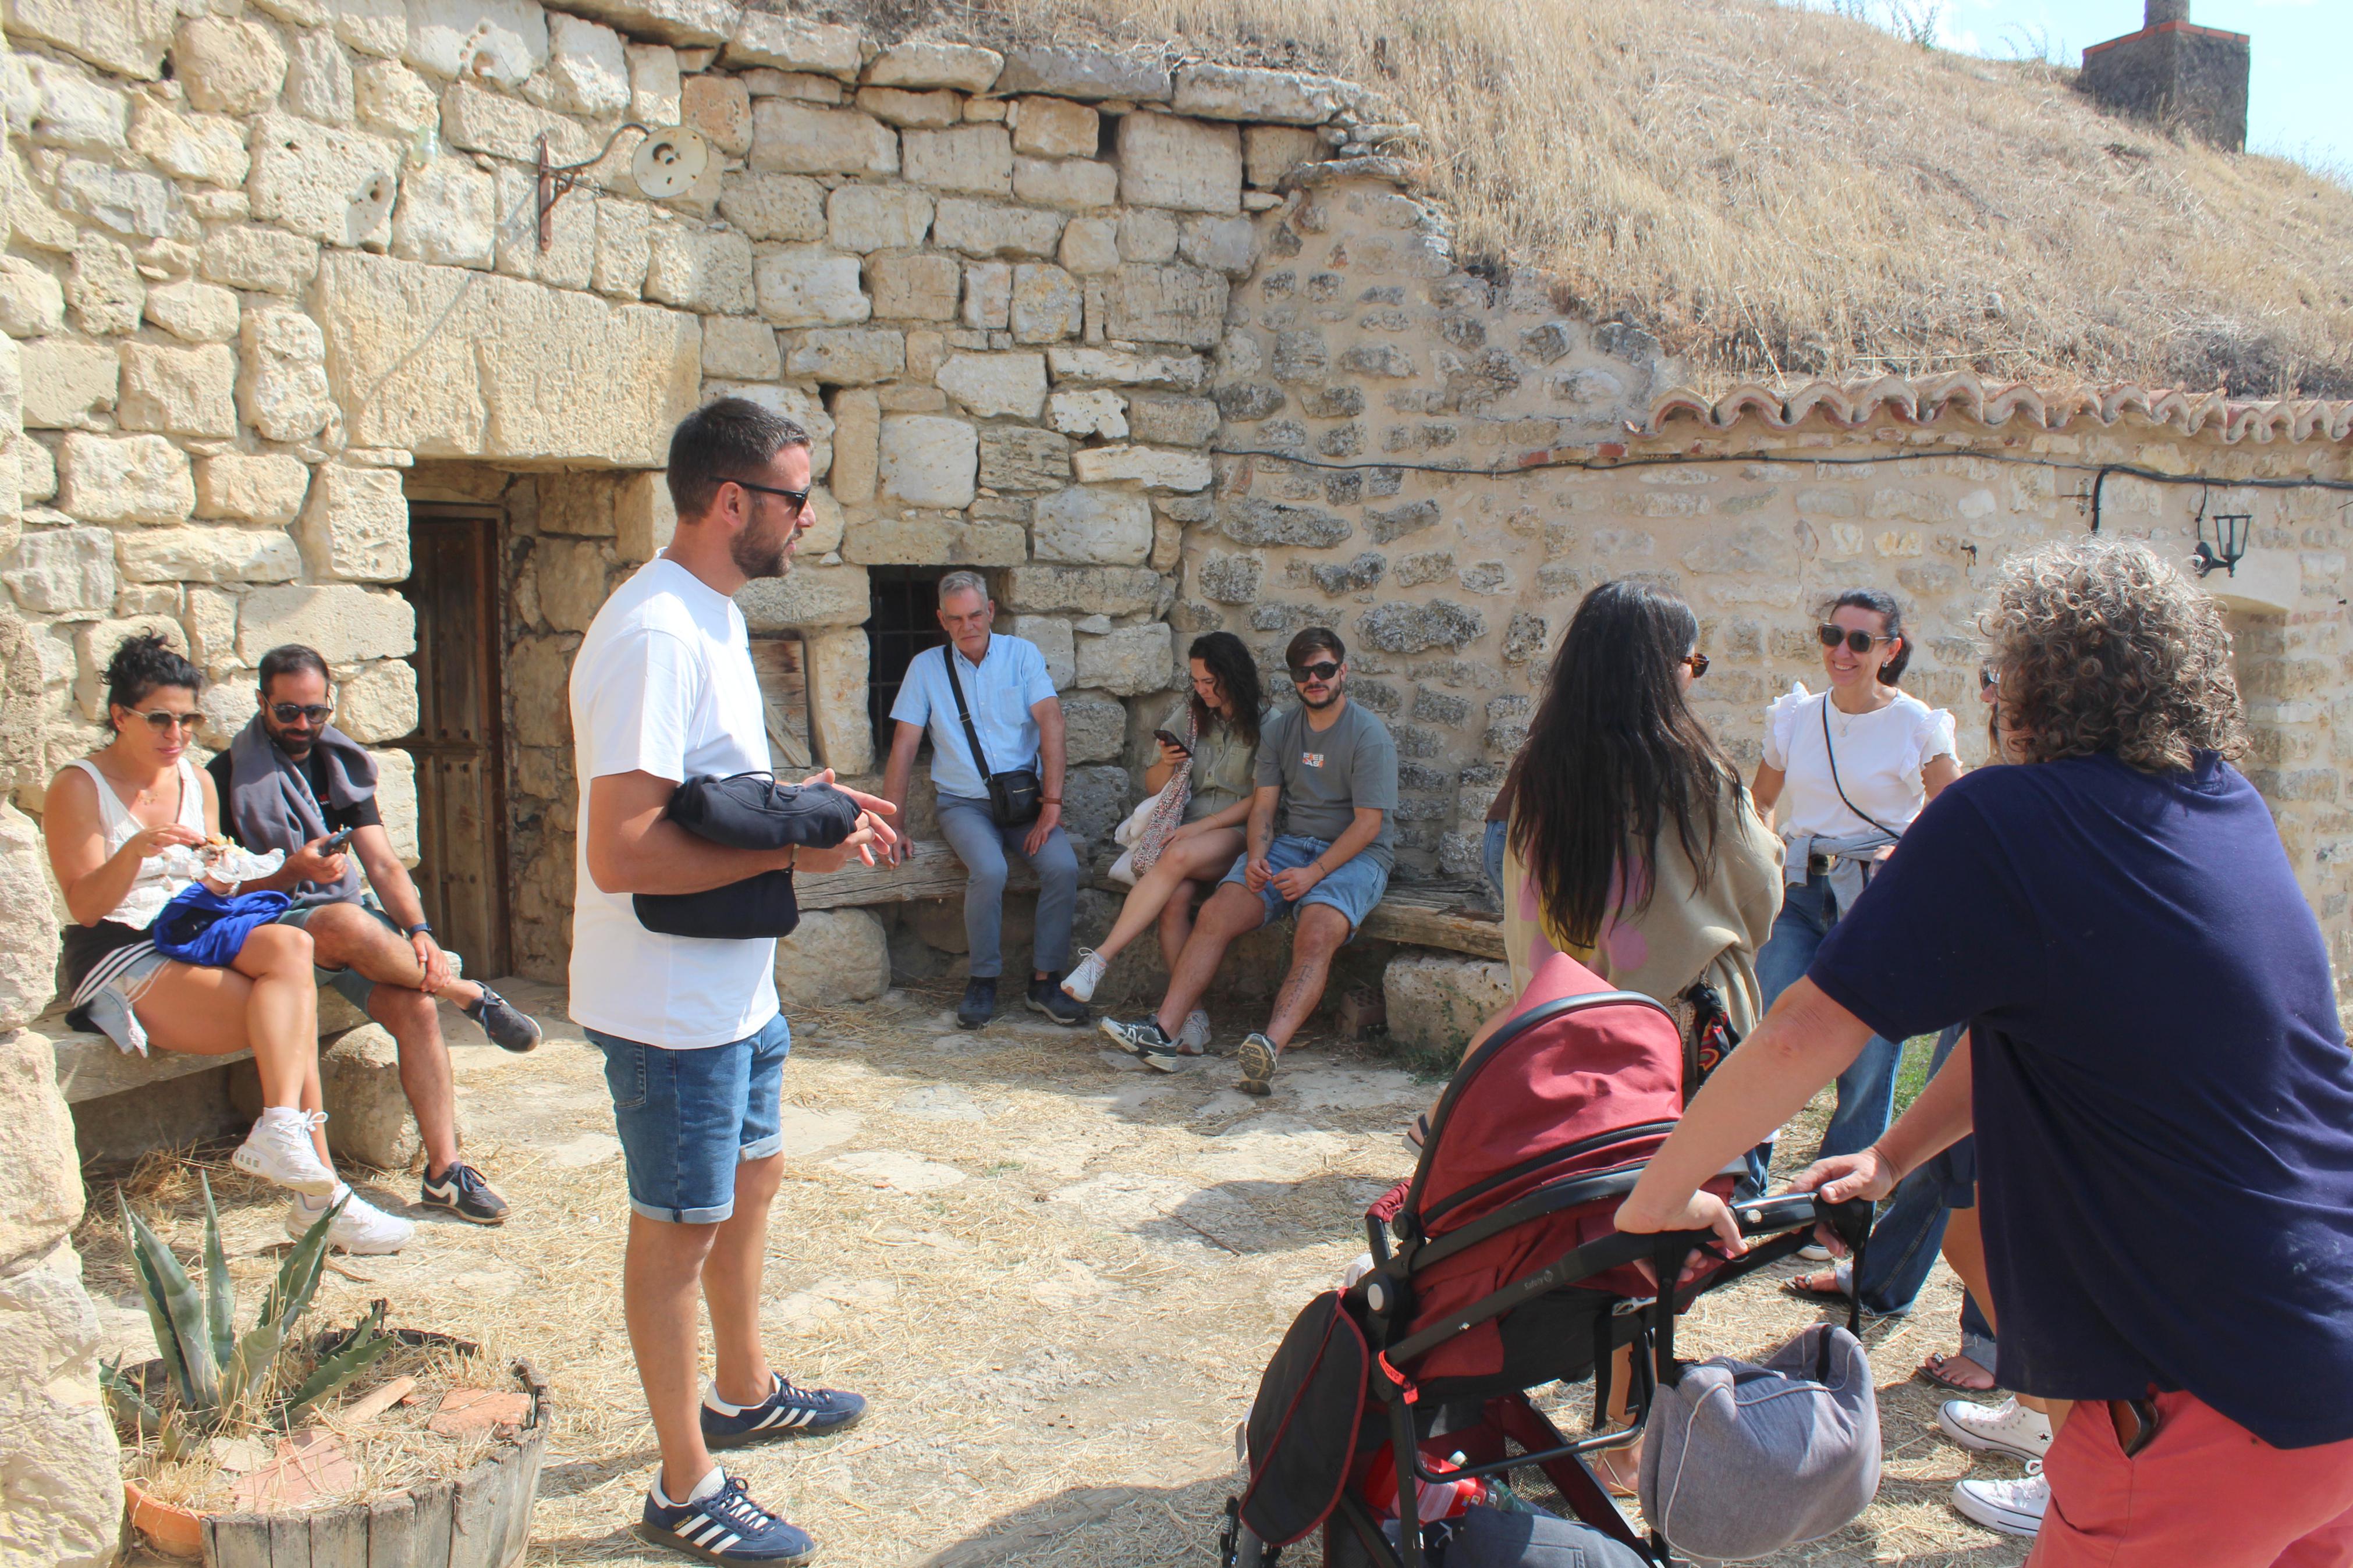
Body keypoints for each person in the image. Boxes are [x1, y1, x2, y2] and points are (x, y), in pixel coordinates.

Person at [1617, 541, 2353, 1567]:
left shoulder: (2005, 817)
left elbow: (1799, 1033)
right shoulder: (2222, 800)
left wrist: (1656, 1194)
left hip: (2210, 1392)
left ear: (2026, 686)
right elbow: (2032, 1024)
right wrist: (1889, 1156)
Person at [571, 398, 897, 1567]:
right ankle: (683, 1484)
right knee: (679, 1229)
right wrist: (796, 852)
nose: (808, 518)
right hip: (669, 1006)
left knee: (752, 1181)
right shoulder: (656, 632)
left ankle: (743, 1391)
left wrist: (802, 803)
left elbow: (711, 793)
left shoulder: (706, 613)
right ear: (729, 502)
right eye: (796, 498)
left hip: (730, 990)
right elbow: (623, 851)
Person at [208, 643, 540, 1232]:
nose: (303, 724)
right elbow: (219, 887)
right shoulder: (226, 776)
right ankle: (468, 994)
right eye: (288, 711)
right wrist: (292, 872)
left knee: (416, 1005)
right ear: (262, 702)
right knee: (344, 921)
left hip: (341, 925)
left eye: (316, 710)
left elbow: (383, 863)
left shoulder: (340, 766)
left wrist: (421, 932)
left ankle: (444, 1173)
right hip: (266, 929)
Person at [42, 636, 358, 1222]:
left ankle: (288, 1140)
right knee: (289, 1017)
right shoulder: (79, 786)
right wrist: (135, 850)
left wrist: (252, 871)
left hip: (190, 928)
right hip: (118, 948)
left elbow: (218, 886)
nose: (177, 733)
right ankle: (323, 1198)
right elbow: (85, 906)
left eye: (189, 720)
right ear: (120, 716)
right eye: (160, 719)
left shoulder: (196, 781)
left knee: (293, 944)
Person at [1102, 627, 1397, 1093]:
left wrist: (1314, 873)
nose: (1314, 679)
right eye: (1304, 672)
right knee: (1216, 912)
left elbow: (1367, 826)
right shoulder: (1280, 731)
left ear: (1342, 671)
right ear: (1294, 678)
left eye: (1323, 669)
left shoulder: (1368, 735)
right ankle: (1163, 1031)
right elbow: (1263, 807)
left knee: (1317, 930)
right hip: (1290, 845)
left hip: (1354, 854)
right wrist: (1257, 856)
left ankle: (1267, 1047)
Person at [1751, 587, 1959, 1165]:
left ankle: (1841, 1188)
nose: (1841, 652)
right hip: (1799, 891)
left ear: (1889, 650)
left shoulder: (1917, 724)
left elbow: (1950, 812)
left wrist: (1906, 856)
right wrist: (1768, 857)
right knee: (1768, 1032)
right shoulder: (1795, 716)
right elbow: (1760, 799)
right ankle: (1742, 1176)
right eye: (1832, 636)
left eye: (1860, 641)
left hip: (1875, 896)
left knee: (1867, 1048)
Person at [879, 571, 1086, 1030]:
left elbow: (1051, 722)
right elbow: (904, 746)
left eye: (975, 614)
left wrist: (1052, 803)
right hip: (964, 804)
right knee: (989, 870)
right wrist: (892, 824)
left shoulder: (1021, 655)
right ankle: (983, 980)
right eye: (955, 618)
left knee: (1063, 866)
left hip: (1023, 801)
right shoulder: (926, 668)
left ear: (990, 611)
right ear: (942, 620)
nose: (967, 626)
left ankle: (1045, 981)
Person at [1057, 631, 1264, 1050]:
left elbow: (1262, 800)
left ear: (1233, 676)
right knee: (1173, 902)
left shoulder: (1268, 724)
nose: (1202, 690)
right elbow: (1154, 786)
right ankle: (1193, 1018)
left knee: (1178, 853)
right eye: (1196, 681)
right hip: (1184, 835)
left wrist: (1201, 828)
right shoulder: (1189, 716)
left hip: (1236, 832)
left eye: (1210, 682)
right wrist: (1168, 764)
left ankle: (1099, 960)